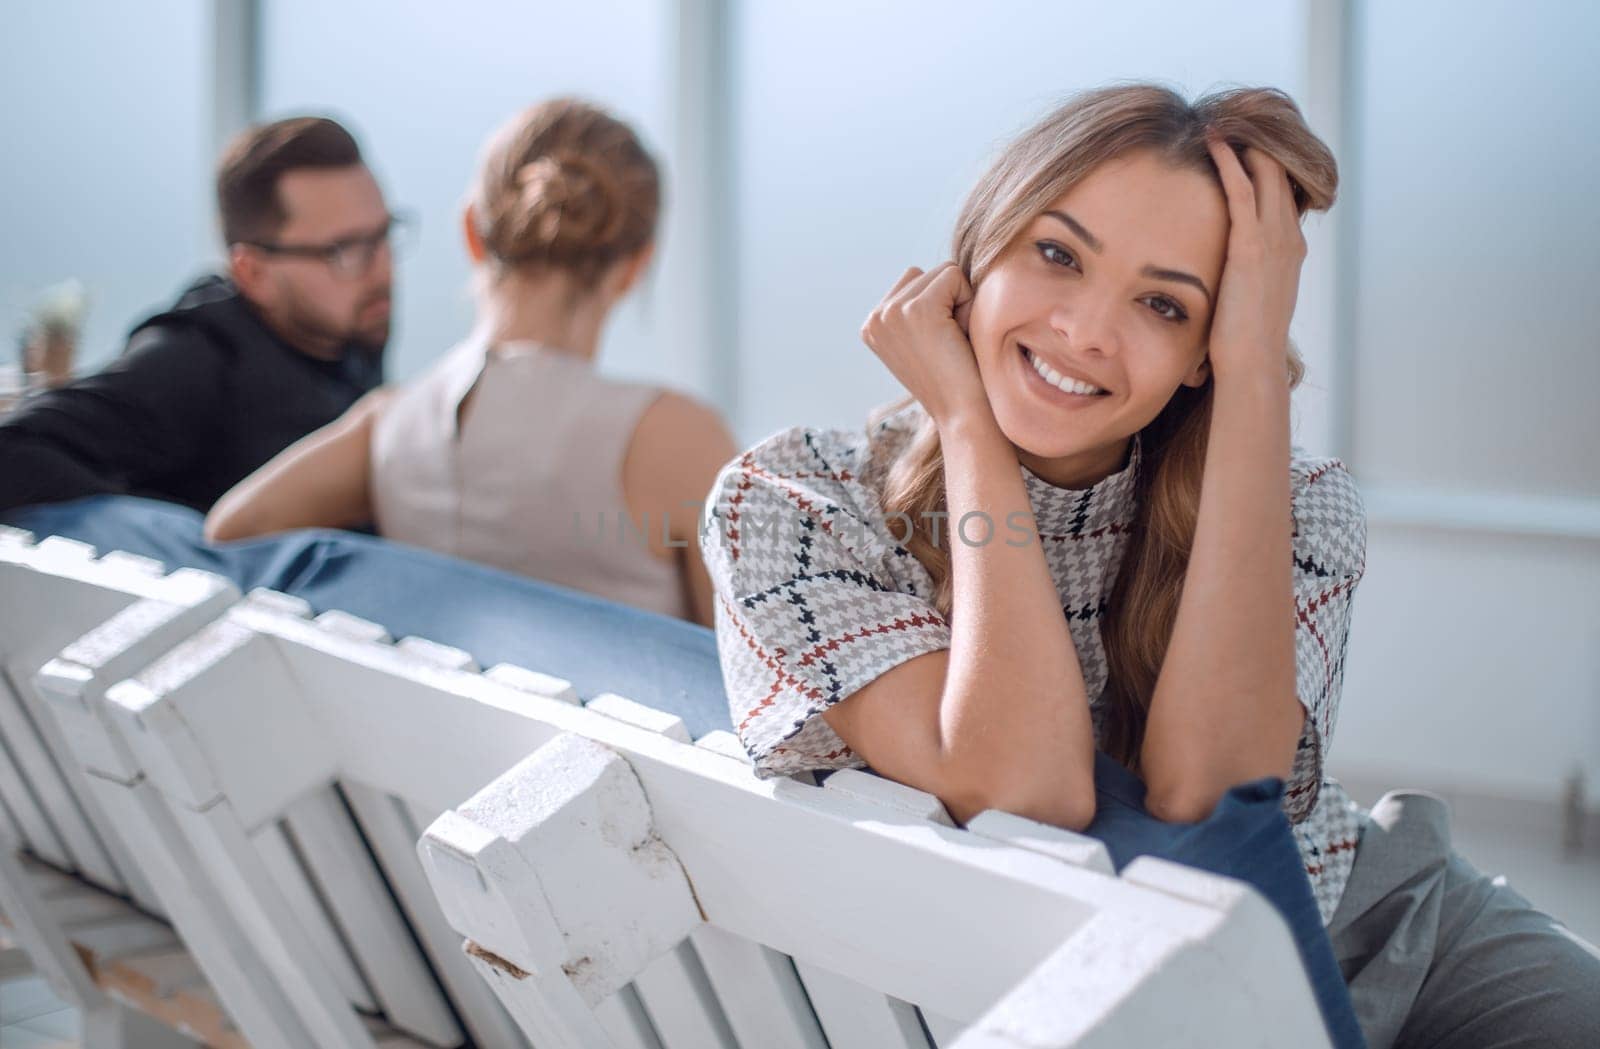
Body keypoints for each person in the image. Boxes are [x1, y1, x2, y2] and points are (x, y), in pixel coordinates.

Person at [699, 84, 1599, 1047]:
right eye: (1057, 254)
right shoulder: (793, 503)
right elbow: (1027, 790)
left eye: (1164, 304)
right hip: (1171, 1003)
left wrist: (1255, 364)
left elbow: (1212, 792)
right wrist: (966, 423)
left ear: (1203, 350)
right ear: (976, 256)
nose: (1087, 331)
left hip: (1377, 918)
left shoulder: (1297, 503)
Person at [206, 99, 737, 629]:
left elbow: (230, 531)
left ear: (471, 233)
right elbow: (770, 683)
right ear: (636, 266)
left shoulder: (388, 426)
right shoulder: (672, 437)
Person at [0, 116, 395, 514]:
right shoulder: (193, 358)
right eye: (343, 251)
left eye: (383, 235)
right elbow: (13, 452)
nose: (383, 269)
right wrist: (198, 549)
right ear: (252, 272)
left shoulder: (350, 328)